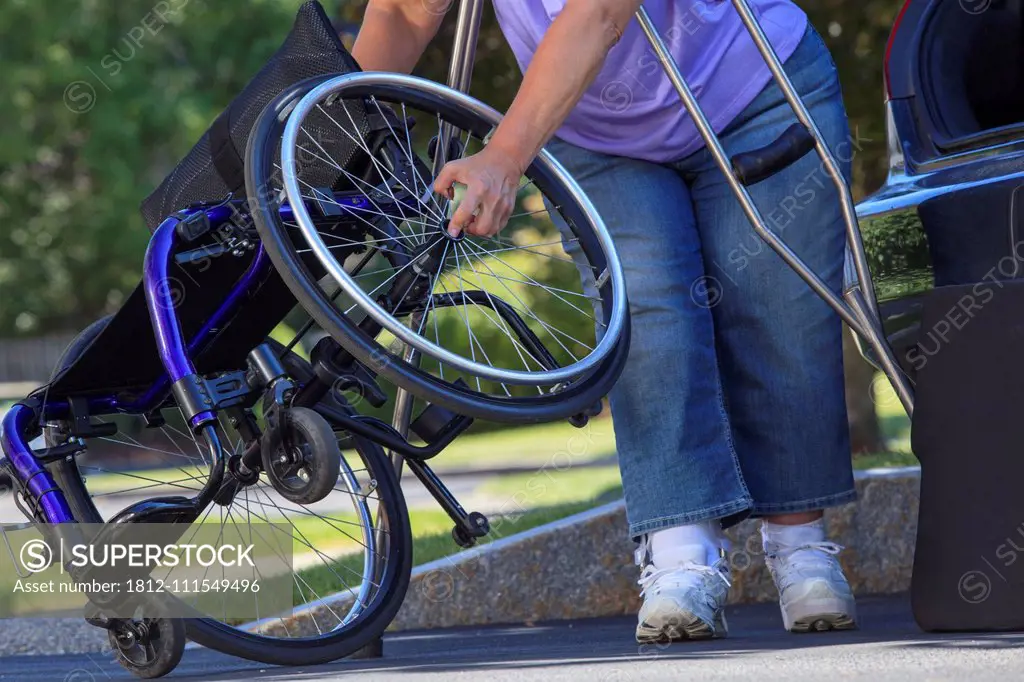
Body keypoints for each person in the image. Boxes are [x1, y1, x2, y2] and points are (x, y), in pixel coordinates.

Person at [353, 0, 858, 641]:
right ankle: (682, 559)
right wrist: (329, 139)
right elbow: (403, 12)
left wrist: (504, 155)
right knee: (647, 314)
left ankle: (801, 549)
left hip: (753, 86)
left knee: (778, 315)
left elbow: (597, 14)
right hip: (595, 128)